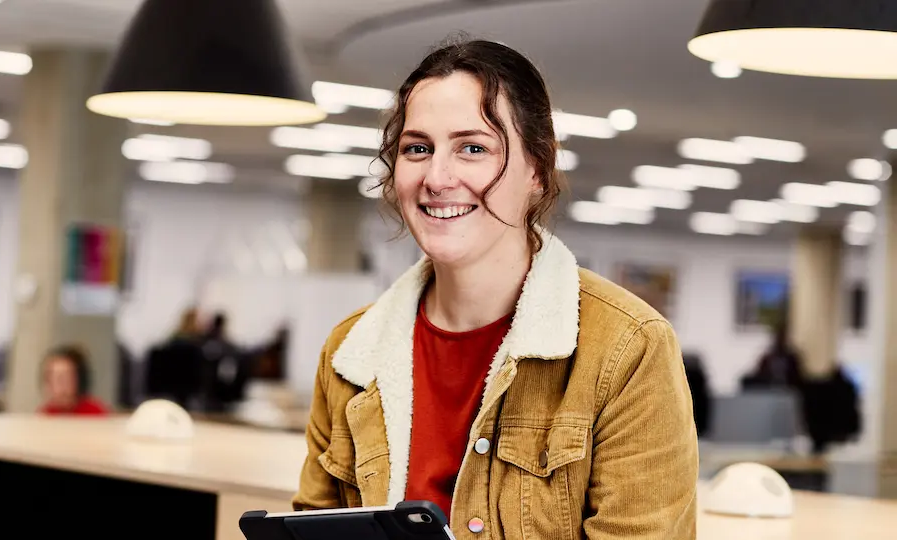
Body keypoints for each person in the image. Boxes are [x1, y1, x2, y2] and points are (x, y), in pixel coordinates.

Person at [293, 39, 698, 539]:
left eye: (473, 148)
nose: (437, 178)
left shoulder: (629, 348)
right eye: (417, 148)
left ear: (536, 168)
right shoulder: (350, 353)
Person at [39, 345, 108, 416]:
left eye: (67, 378)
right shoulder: (45, 415)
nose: (62, 386)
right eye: (57, 379)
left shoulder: (95, 413)